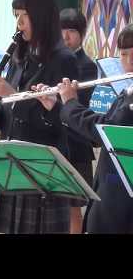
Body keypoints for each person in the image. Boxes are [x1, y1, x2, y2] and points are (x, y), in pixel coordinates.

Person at [0, 0, 79, 234]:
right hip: (14, 167)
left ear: (40, 16)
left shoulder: (63, 59)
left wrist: (11, 93)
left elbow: (58, 120)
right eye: (16, 15)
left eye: (24, 15)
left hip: (42, 171)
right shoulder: (20, 55)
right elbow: (9, 114)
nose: (18, 23)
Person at [55, 24, 133, 233]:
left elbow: (104, 129)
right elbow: (99, 137)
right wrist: (57, 105)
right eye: (125, 54)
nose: (130, 62)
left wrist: (70, 103)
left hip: (122, 204)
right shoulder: (127, 92)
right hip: (112, 197)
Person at [60, 8, 98, 234]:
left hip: (76, 143)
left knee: (73, 207)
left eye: (71, 31)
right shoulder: (51, 59)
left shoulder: (86, 65)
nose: (65, 37)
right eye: (61, 31)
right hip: (55, 140)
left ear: (81, 34)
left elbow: (76, 103)